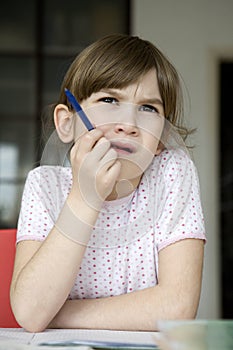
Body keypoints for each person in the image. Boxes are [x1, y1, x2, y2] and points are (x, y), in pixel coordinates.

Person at [10, 34, 206, 333]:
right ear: (66, 123)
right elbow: (29, 311)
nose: (128, 124)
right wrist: (84, 197)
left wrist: (55, 315)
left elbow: (177, 307)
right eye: (109, 100)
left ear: (161, 139)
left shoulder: (172, 174)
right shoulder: (44, 186)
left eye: (148, 108)